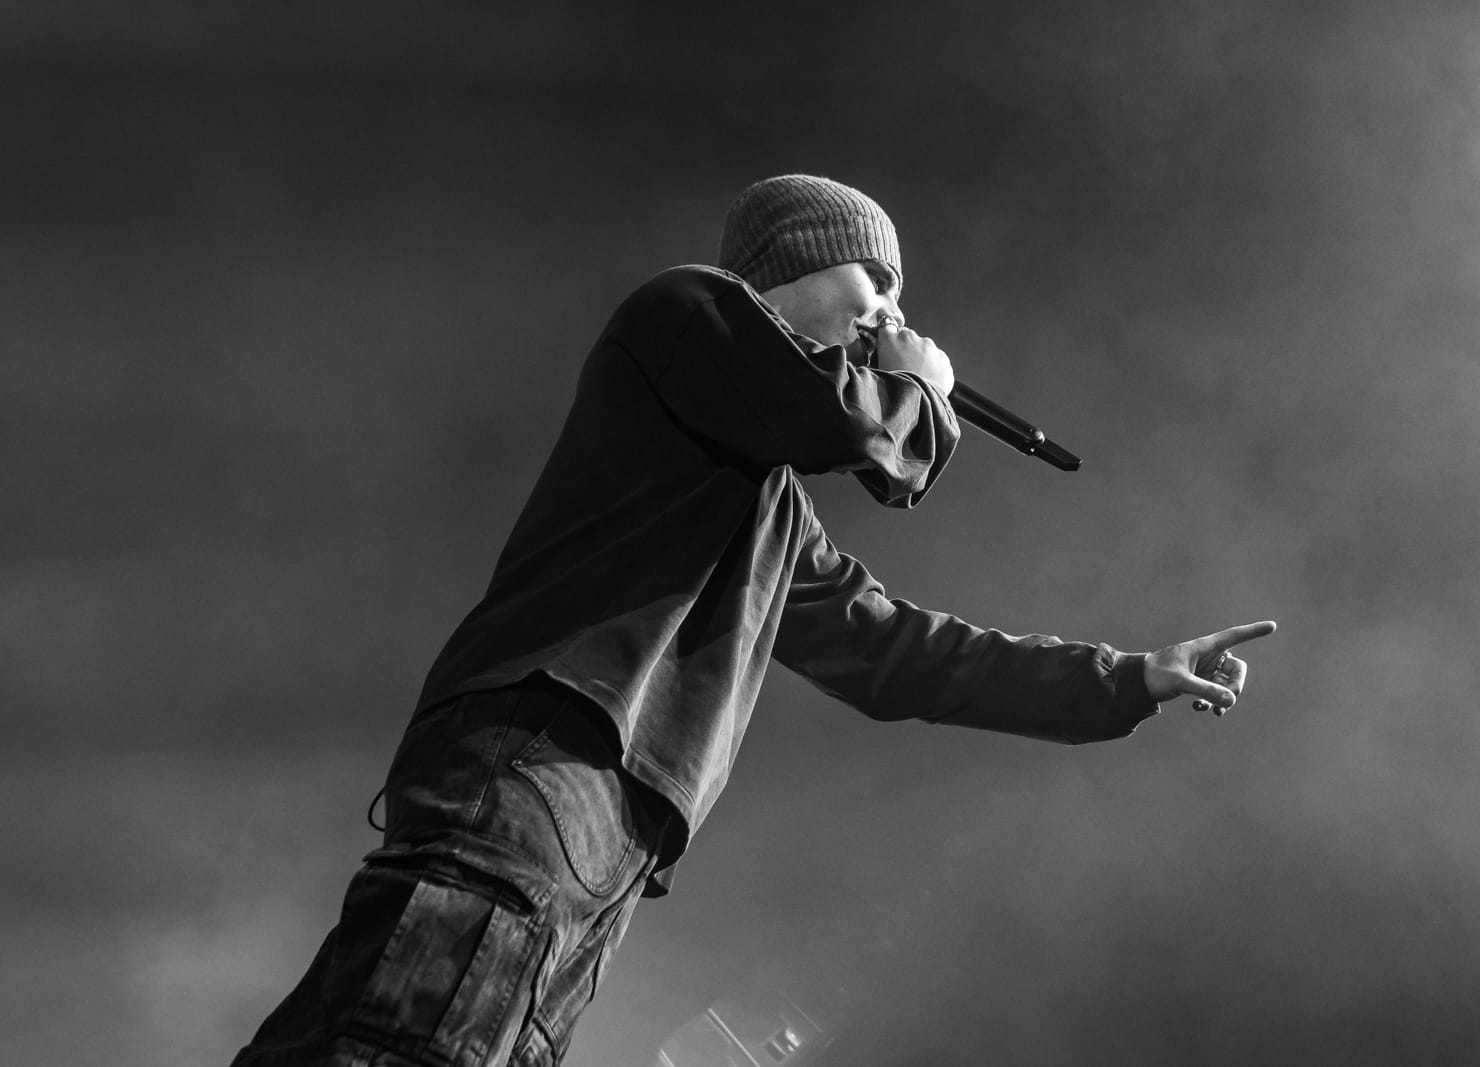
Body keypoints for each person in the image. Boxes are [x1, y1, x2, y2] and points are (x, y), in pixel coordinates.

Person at [230, 174, 1276, 1066]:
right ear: (799, 258)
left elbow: (893, 652)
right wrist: (916, 384)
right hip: (543, 751)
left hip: (621, 829)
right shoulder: (683, 309)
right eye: (876, 283)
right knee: (399, 1038)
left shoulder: (770, 508)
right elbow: (847, 426)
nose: (889, 316)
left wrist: (1125, 678)